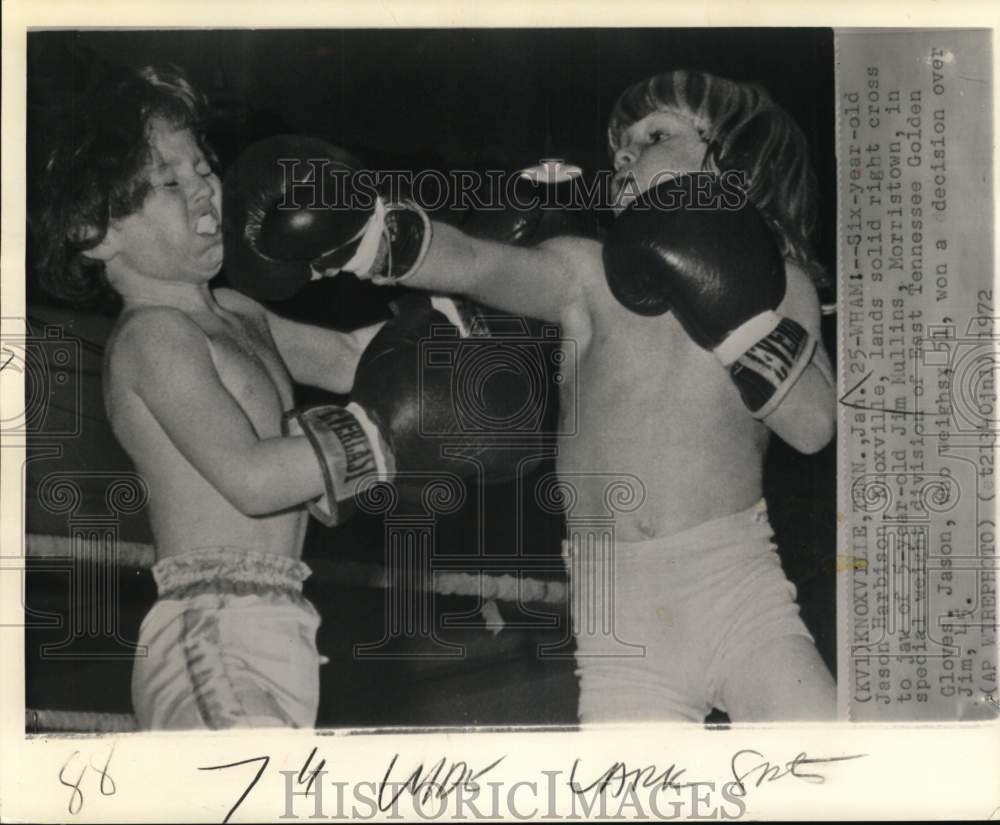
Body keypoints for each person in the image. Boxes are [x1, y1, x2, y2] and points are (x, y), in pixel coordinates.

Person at [232, 68, 837, 722]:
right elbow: (476, 263)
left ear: (732, 155)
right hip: (619, 617)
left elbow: (812, 425)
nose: (626, 154)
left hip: (735, 589)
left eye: (654, 134)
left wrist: (740, 316)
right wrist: (367, 234)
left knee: (831, 765)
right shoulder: (587, 273)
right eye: (619, 148)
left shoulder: (783, 285)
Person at [30, 63, 392, 730]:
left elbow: (353, 358)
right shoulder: (151, 338)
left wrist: (467, 311)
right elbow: (253, 479)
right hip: (210, 630)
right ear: (96, 230)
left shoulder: (237, 310)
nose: (205, 192)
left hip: (282, 625)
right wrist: (385, 433)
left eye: (203, 168)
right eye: (170, 182)